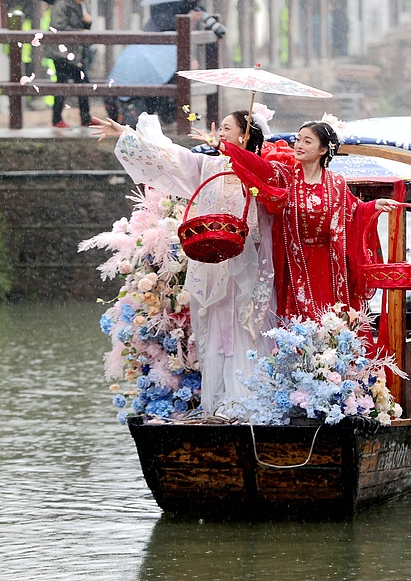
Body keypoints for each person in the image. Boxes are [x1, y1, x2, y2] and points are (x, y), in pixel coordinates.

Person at [89, 105, 277, 415]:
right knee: (216, 327)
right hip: (214, 259)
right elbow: (169, 155)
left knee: (247, 325)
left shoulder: (262, 170)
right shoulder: (209, 167)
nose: (221, 133)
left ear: (245, 136)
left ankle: (252, 401)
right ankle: (221, 403)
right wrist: (126, 133)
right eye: (221, 128)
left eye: (228, 129)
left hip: (248, 262)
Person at [192, 115, 398, 321]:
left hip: (328, 265)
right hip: (293, 263)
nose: (299, 145)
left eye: (307, 141)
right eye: (298, 140)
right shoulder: (285, 177)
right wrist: (222, 146)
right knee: (297, 324)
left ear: (323, 150)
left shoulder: (336, 183)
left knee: (331, 320)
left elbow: (354, 211)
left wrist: (373, 206)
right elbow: (256, 165)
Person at [105, 0, 202, 125]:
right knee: (165, 85)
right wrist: (187, 17)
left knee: (168, 84)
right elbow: (162, 20)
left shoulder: (188, 1)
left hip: (170, 50)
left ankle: (170, 115)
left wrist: (195, 8)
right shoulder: (165, 2)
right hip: (160, 47)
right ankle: (170, 115)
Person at [47, 0, 94, 129]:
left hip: (76, 52)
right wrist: (79, 31)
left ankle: (85, 118)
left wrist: (87, 23)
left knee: (83, 83)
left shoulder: (80, 5)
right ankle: (57, 119)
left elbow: (83, 28)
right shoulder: (61, 5)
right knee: (62, 85)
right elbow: (58, 27)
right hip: (61, 52)